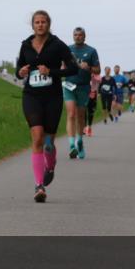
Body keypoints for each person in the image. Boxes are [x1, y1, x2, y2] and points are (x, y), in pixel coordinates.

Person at [16, 11, 90, 202]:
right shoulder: (26, 45)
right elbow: (18, 69)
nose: (40, 25)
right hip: (31, 96)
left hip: (52, 97)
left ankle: (50, 165)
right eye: (37, 22)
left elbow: (73, 68)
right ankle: (39, 186)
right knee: (37, 137)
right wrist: (21, 71)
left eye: (43, 22)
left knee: (48, 144)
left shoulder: (57, 45)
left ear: (48, 24)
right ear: (32, 25)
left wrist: (51, 71)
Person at [63, 27, 100, 159]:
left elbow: (98, 70)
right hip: (69, 85)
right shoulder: (67, 49)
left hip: (83, 87)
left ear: (84, 37)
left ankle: (79, 141)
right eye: (75, 35)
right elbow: (63, 66)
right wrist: (62, 68)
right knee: (71, 114)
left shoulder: (91, 51)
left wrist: (88, 67)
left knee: (80, 116)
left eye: (80, 35)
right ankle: (71, 145)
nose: (77, 37)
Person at [85, 70, 100, 136]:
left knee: (90, 112)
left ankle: (89, 127)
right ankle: (84, 127)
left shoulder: (96, 75)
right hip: (84, 93)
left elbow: (99, 80)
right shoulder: (84, 73)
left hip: (93, 94)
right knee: (83, 111)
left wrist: (92, 76)